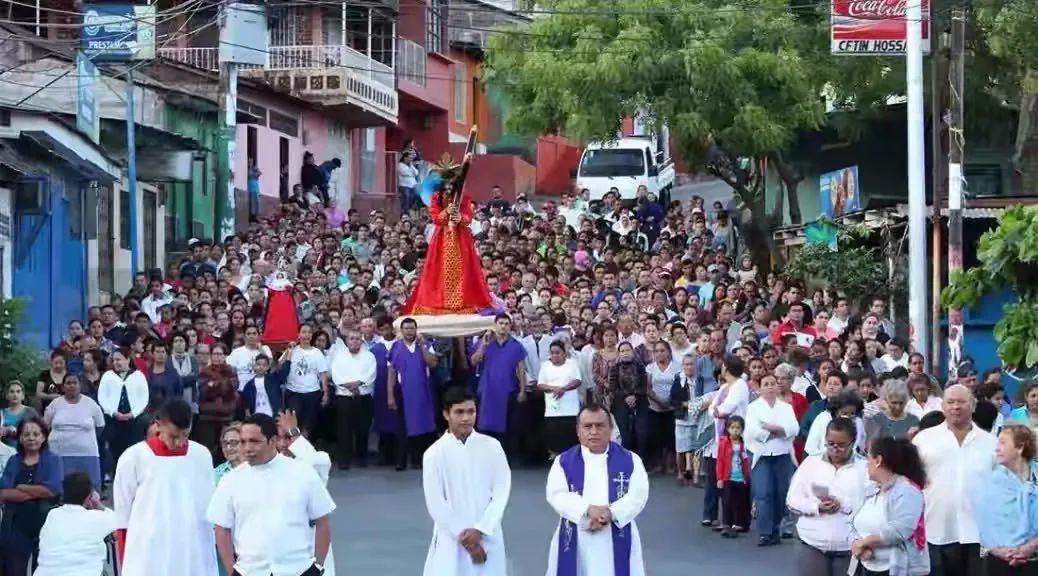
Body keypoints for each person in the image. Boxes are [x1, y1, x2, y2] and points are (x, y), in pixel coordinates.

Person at [207, 413, 335, 576]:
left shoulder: (302, 472)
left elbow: (322, 521)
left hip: (298, 569)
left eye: (254, 441)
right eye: (243, 441)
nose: (247, 448)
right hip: (250, 571)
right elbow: (221, 529)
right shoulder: (230, 480)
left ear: (272, 441)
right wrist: (232, 572)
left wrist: (317, 566)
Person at [113, 399, 218, 576]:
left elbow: (208, 506)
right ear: (158, 424)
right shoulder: (134, 457)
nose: (180, 442)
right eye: (174, 436)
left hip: (192, 547)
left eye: (186, 435)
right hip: (149, 549)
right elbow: (123, 515)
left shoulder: (201, 455)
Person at [544, 403, 649, 576]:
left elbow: (639, 494)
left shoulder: (630, 459)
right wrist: (586, 511)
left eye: (600, 426)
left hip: (616, 531)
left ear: (611, 428)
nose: (594, 432)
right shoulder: (563, 461)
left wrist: (611, 513)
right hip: (577, 531)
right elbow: (556, 494)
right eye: (587, 426)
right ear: (578, 430)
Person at [422, 387, 512, 575]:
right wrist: (467, 539)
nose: (466, 418)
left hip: (488, 535)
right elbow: (436, 504)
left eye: (471, 412)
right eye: (459, 412)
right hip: (451, 539)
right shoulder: (434, 454)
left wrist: (481, 529)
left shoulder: (492, 447)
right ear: (446, 414)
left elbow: (501, 492)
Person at [912, 384, 997, 576]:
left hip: (979, 533)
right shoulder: (924, 439)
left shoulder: (990, 443)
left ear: (973, 406)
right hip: (936, 530)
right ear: (942, 406)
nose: (955, 407)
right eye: (950, 402)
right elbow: (911, 482)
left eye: (961, 402)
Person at [402, 153, 495, 314]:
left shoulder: (462, 197)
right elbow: (436, 218)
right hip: (442, 237)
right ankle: (441, 301)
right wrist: (446, 212)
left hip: (460, 237)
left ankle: (461, 301)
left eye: (451, 182)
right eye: (446, 183)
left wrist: (460, 217)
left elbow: (468, 218)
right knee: (440, 269)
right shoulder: (436, 197)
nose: (449, 186)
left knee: (462, 269)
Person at [787, 417, 869, 576]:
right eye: (830, 444)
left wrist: (845, 506)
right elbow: (792, 500)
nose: (835, 449)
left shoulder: (864, 468)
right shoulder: (811, 463)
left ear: (853, 443)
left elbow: (873, 507)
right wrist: (815, 506)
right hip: (812, 543)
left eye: (841, 445)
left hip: (849, 547)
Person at [848, 436, 930, 576]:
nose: (866, 464)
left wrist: (866, 542)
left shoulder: (907, 490)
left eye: (869, 458)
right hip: (867, 566)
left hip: (899, 569)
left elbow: (901, 530)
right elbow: (854, 522)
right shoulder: (871, 490)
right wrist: (856, 543)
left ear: (878, 461)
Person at [972, 423, 1038, 576]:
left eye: (1002, 443)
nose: (996, 449)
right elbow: (984, 523)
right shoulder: (992, 482)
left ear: (1020, 447)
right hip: (1000, 560)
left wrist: (1030, 547)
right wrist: (1000, 551)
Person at [0, 416, 62, 576]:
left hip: (46, 524)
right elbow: (4, 493)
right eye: (26, 434)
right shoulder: (14, 460)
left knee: (44, 571)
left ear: (43, 436)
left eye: (36, 434)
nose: (31, 438)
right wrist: (37, 491)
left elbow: (52, 490)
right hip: (15, 524)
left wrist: (22, 487)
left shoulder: (53, 460)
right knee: (13, 571)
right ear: (20, 438)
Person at [744, 373, 799, 546]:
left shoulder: (786, 407)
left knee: (781, 492)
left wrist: (776, 429)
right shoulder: (753, 407)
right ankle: (764, 531)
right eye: (766, 384)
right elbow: (751, 431)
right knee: (763, 493)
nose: (770, 387)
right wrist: (772, 432)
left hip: (782, 455)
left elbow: (794, 428)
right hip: (761, 455)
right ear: (759, 388)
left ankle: (775, 527)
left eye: (773, 383)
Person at [33, 471, 116, 576]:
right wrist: (98, 504)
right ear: (89, 497)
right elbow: (118, 520)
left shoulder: (53, 515)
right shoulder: (97, 518)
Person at [471, 315, 528, 458]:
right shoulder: (485, 343)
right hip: (487, 390)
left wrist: (522, 390)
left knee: (507, 426)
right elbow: (474, 361)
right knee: (485, 425)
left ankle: (504, 458)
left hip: (508, 390)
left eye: (507, 324)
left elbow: (521, 369)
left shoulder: (516, 345)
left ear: (510, 326)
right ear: (495, 325)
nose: (503, 326)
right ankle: (484, 457)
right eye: (501, 323)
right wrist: (483, 345)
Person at [387, 318, 439, 470]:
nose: (409, 331)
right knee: (402, 427)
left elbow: (433, 363)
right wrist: (390, 395)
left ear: (416, 330)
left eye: (412, 329)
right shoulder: (395, 347)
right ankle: (400, 461)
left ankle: (421, 460)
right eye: (406, 329)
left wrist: (422, 345)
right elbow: (391, 372)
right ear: (401, 331)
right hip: (402, 391)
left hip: (423, 391)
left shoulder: (426, 345)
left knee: (424, 424)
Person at [43, 373, 105, 489]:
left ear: (80, 385)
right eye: (68, 383)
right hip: (58, 454)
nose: (71, 386)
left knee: (89, 491)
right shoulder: (55, 404)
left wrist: (84, 439)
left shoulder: (90, 404)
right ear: (63, 387)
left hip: (87, 454)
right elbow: (44, 426)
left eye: (74, 383)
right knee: (59, 490)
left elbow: (100, 425)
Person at [329, 330, 377, 469]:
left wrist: (359, 384)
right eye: (351, 339)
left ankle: (362, 458)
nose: (354, 341)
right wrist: (350, 386)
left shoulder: (369, 356)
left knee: (363, 429)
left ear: (361, 341)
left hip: (364, 396)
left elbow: (371, 374)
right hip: (344, 397)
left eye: (357, 339)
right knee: (344, 430)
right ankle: (344, 460)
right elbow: (336, 374)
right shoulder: (339, 356)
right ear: (347, 341)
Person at [97, 347, 149, 466]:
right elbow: (102, 397)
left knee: (133, 450)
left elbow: (143, 397)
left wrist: (133, 414)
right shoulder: (108, 375)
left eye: (119, 360)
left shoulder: (138, 375)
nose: (116, 363)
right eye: (114, 360)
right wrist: (113, 412)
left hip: (133, 421)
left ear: (127, 360)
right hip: (113, 419)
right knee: (115, 450)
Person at [537, 340, 583, 457]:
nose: (555, 355)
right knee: (554, 433)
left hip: (570, 408)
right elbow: (540, 384)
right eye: (552, 353)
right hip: (552, 409)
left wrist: (564, 389)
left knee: (571, 434)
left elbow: (577, 380)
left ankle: (573, 456)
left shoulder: (572, 363)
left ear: (564, 353)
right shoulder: (545, 365)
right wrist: (553, 388)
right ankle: (556, 456)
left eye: (557, 353)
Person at [715, 415, 751, 537]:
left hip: (741, 478)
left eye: (738, 428)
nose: (735, 430)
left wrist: (747, 477)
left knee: (739, 502)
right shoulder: (724, 443)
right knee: (727, 502)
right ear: (728, 429)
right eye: (732, 427)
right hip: (728, 477)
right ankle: (726, 524)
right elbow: (720, 461)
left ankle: (738, 523)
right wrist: (719, 478)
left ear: (742, 430)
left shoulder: (744, 444)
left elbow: (747, 461)